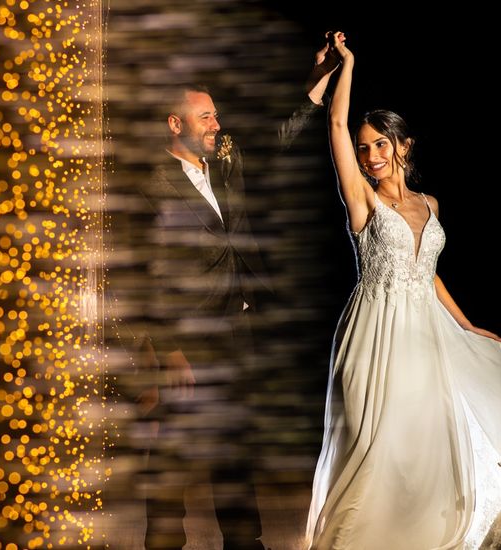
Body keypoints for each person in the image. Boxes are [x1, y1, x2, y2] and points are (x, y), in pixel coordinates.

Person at [305, 32, 501, 550]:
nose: (371, 155)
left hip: (426, 332)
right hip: (375, 330)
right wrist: (345, 65)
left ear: (403, 145)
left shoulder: (431, 204)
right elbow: (333, 120)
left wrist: (465, 324)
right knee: (373, 446)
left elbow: (428, 271)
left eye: (380, 144)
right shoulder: (363, 201)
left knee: (420, 442)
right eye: (363, 147)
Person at [109, 41, 339, 550]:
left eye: (216, 115)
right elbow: (142, 278)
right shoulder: (151, 186)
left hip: (238, 329)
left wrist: (317, 79)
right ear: (176, 124)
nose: (217, 124)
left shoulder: (227, 160)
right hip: (186, 342)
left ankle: (245, 542)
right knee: (172, 457)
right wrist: (167, 352)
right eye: (206, 116)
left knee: (236, 449)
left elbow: (278, 136)